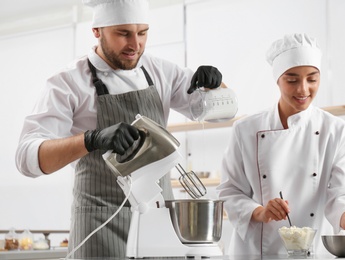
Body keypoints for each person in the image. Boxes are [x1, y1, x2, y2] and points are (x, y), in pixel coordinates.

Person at [15, 0, 224, 258]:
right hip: (98, 224)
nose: (135, 45)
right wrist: (91, 140)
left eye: (142, 32)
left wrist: (216, 86)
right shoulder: (66, 82)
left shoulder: (160, 71)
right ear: (97, 31)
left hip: (158, 221)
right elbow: (27, 159)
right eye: (123, 33)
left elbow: (216, 112)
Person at [216, 33, 345, 256]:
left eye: (312, 79)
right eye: (292, 79)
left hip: (312, 250)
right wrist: (259, 211)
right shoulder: (246, 129)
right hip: (256, 252)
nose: (303, 90)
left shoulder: (335, 130)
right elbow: (229, 192)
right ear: (277, 79)